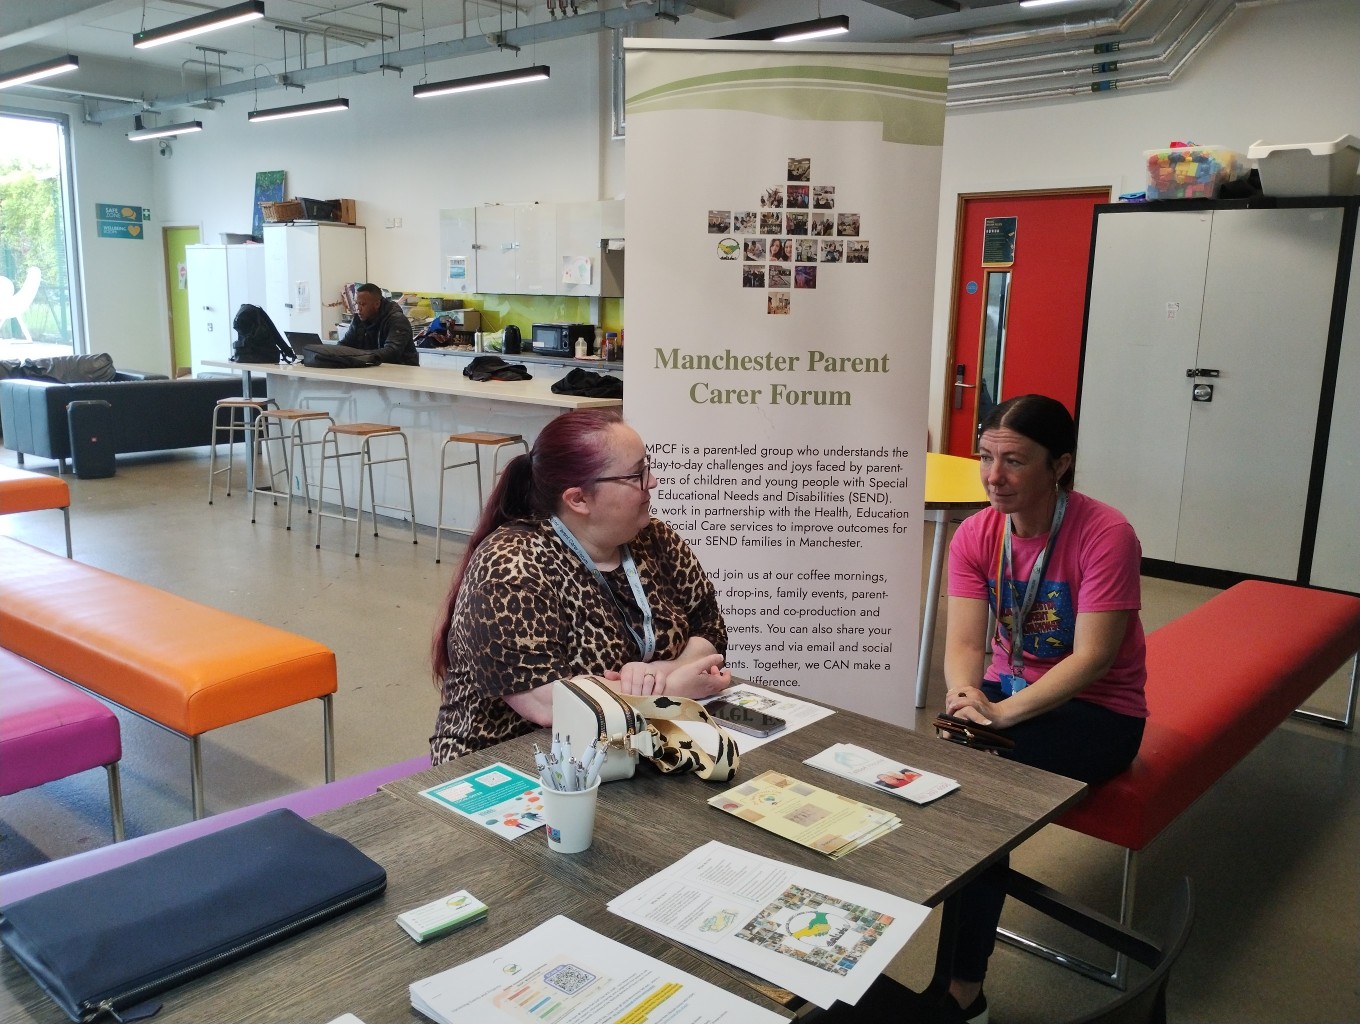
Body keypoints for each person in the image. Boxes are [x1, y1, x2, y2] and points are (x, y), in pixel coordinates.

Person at [937, 394, 1148, 1024]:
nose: (994, 476)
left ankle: (960, 992)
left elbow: (1093, 660)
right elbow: (967, 643)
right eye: (986, 457)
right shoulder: (977, 533)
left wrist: (999, 717)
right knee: (948, 775)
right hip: (1008, 697)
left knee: (974, 790)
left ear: (1060, 465)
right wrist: (965, 697)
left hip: (1099, 713)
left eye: (1015, 461)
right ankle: (956, 985)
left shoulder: (1105, 534)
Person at [430, 409, 731, 763]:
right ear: (579, 499)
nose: (652, 482)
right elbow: (547, 703)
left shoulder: (654, 538)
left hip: (630, 748)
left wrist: (657, 674)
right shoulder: (510, 566)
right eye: (637, 474)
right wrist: (672, 689)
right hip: (514, 762)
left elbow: (710, 628)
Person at [340, 282, 417, 365]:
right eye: (357, 303)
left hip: (402, 372)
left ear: (377, 304)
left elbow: (391, 352)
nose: (358, 309)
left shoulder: (397, 320)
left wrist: (359, 355)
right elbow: (344, 345)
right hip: (372, 370)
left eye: (363, 304)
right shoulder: (358, 319)